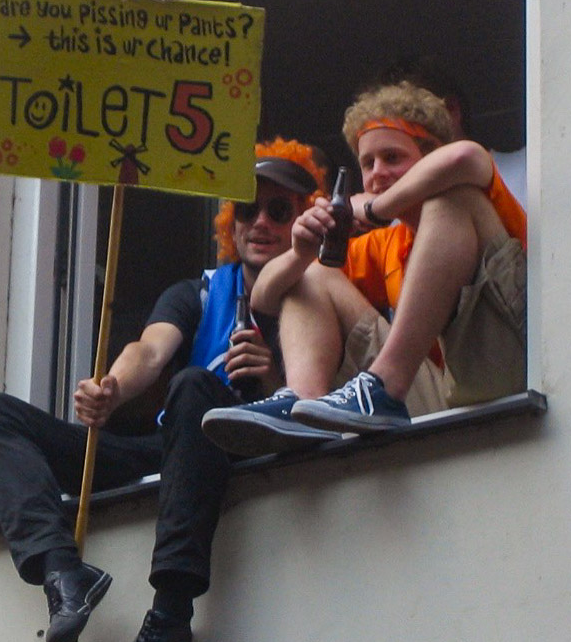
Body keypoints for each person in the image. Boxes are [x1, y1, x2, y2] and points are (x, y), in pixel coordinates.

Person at [0, 139, 330, 642]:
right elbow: (150, 350)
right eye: (247, 209)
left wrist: (273, 380)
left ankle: (171, 610)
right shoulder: (203, 291)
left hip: (254, 447)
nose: (260, 223)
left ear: (306, 219)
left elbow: (320, 400)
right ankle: (62, 573)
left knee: (193, 386)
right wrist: (111, 386)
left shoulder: (315, 290)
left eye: (279, 211)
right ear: (229, 223)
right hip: (174, 449)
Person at [208, 82, 526, 440]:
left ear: (430, 154)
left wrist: (377, 208)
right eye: (367, 163)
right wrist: (301, 252)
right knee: (313, 274)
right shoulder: (386, 243)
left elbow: (464, 158)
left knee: (449, 202)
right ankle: (301, 406)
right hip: (440, 397)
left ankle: (383, 386)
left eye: (392, 157)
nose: (377, 173)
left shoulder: (471, 188)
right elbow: (264, 296)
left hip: (515, 370)